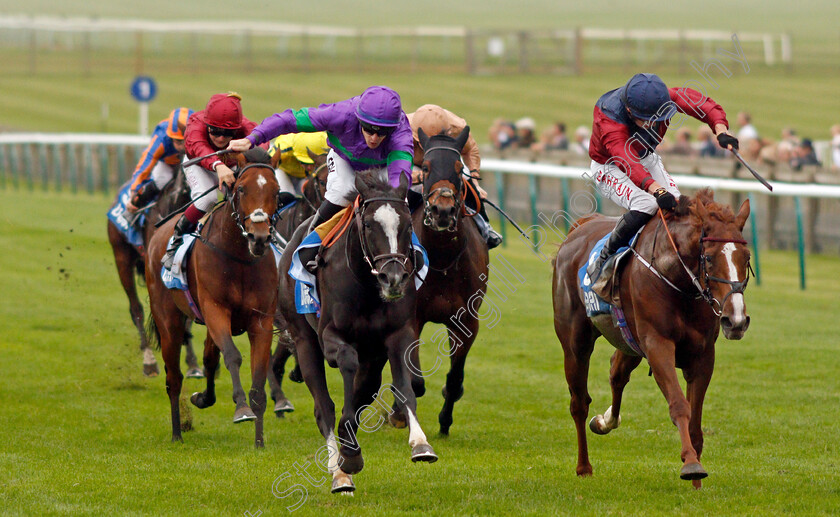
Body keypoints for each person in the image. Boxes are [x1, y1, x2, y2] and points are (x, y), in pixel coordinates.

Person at [228, 85, 414, 272]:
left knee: (398, 201)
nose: (374, 138)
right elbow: (289, 120)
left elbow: (400, 175)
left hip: (382, 167)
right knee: (341, 192)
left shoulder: (401, 133)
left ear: (393, 128)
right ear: (358, 118)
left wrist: (395, 198)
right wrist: (252, 139)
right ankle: (309, 246)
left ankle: (414, 253)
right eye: (368, 129)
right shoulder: (340, 114)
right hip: (344, 159)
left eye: (382, 132)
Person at [585, 73, 738, 293]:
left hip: (645, 157)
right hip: (610, 166)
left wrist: (721, 129)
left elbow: (703, 105)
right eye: (646, 119)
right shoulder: (609, 117)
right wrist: (655, 188)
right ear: (629, 111)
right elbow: (625, 160)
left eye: (656, 118)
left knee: (677, 206)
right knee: (647, 204)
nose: (652, 125)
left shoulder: (666, 97)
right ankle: (604, 259)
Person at [161, 92, 260, 270]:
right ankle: (176, 239)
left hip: (230, 165)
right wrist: (218, 165)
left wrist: (249, 147)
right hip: (198, 164)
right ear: (206, 125)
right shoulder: (195, 123)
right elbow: (197, 147)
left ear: (237, 128)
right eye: (215, 131)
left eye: (228, 133)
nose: (221, 138)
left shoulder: (247, 127)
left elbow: (263, 142)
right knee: (208, 199)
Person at [406, 103, 503, 249]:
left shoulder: (457, 126)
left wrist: (475, 180)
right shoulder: (401, 129)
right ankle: (401, 230)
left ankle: (486, 229)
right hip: (412, 164)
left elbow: (471, 150)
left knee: (465, 184)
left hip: (445, 162)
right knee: (414, 189)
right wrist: (419, 176)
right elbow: (393, 167)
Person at [125, 107, 194, 212]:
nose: (183, 146)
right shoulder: (161, 139)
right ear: (170, 138)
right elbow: (145, 165)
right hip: (167, 164)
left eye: (186, 141)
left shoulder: (200, 136)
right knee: (161, 179)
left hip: (191, 162)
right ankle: (139, 209)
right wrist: (134, 190)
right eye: (178, 141)